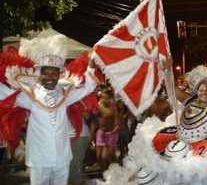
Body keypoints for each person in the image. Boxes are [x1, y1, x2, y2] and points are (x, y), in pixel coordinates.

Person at [0, 38, 97, 185]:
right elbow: (5, 93)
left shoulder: (66, 95)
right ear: (40, 75)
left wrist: (91, 65)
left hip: (61, 158)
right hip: (39, 159)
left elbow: (89, 86)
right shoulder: (29, 95)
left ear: (59, 76)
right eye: (46, 73)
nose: (50, 77)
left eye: (53, 74)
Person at [95, 89, 121, 172]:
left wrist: (112, 132)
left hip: (110, 134)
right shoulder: (98, 105)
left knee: (105, 157)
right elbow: (94, 120)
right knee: (99, 157)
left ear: (110, 98)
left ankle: (109, 174)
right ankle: (104, 174)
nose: (102, 100)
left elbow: (118, 124)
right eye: (101, 98)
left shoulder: (113, 108)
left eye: (105, 98)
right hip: (100, 133)